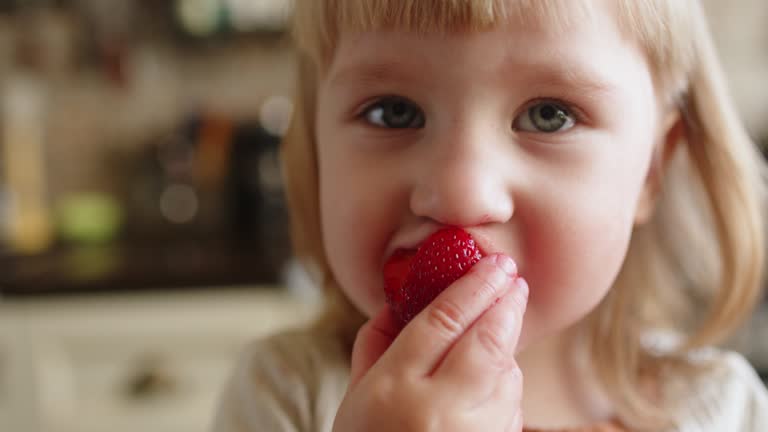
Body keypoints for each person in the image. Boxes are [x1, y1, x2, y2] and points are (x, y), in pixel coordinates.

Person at [212, 1, 768, 431]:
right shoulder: (284, 395)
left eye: (549, 115)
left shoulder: (723, 412)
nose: (458, 195)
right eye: (393, 111)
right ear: (315, 147)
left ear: (651, 171)